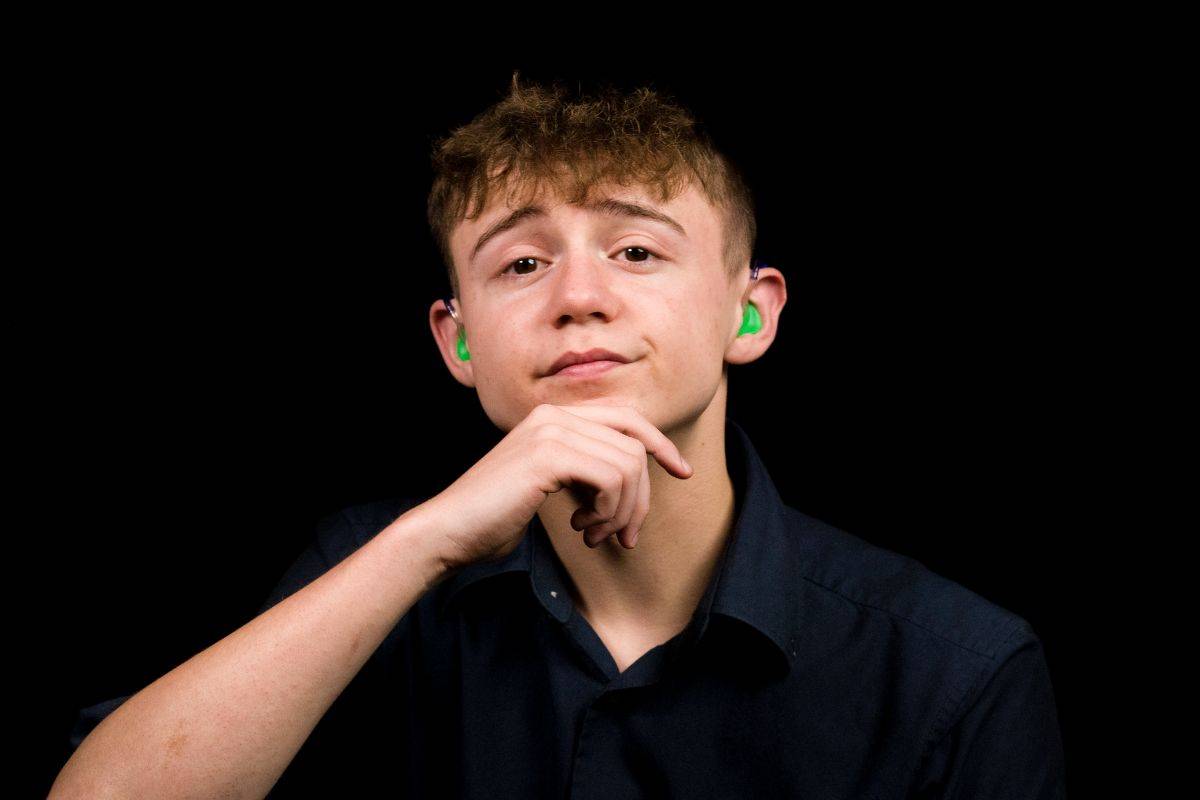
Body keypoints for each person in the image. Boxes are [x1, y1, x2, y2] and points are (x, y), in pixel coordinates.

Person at [52, 71, 1067, 798]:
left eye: (634, 248)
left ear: (749, 315)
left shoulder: (955, 668)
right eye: (521, 265)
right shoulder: (372, 573)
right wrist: (426, 540)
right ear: (457, 343)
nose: (579, 297)